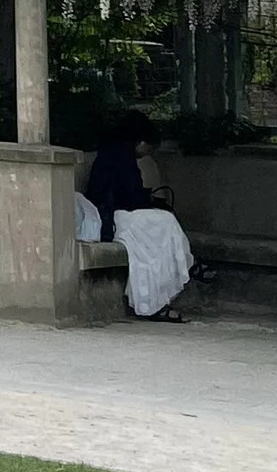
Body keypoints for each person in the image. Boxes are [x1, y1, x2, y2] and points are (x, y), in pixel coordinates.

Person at [77, 114, 194, 319]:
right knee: (166, 222)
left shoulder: (113, 151)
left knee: (163, 224)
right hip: (114, 215)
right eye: (148, 149)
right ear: (140, 142)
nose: (147, 154)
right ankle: (157, 296)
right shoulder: (122, 155)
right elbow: (129, 195)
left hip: (113, 211)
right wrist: (150, 201)